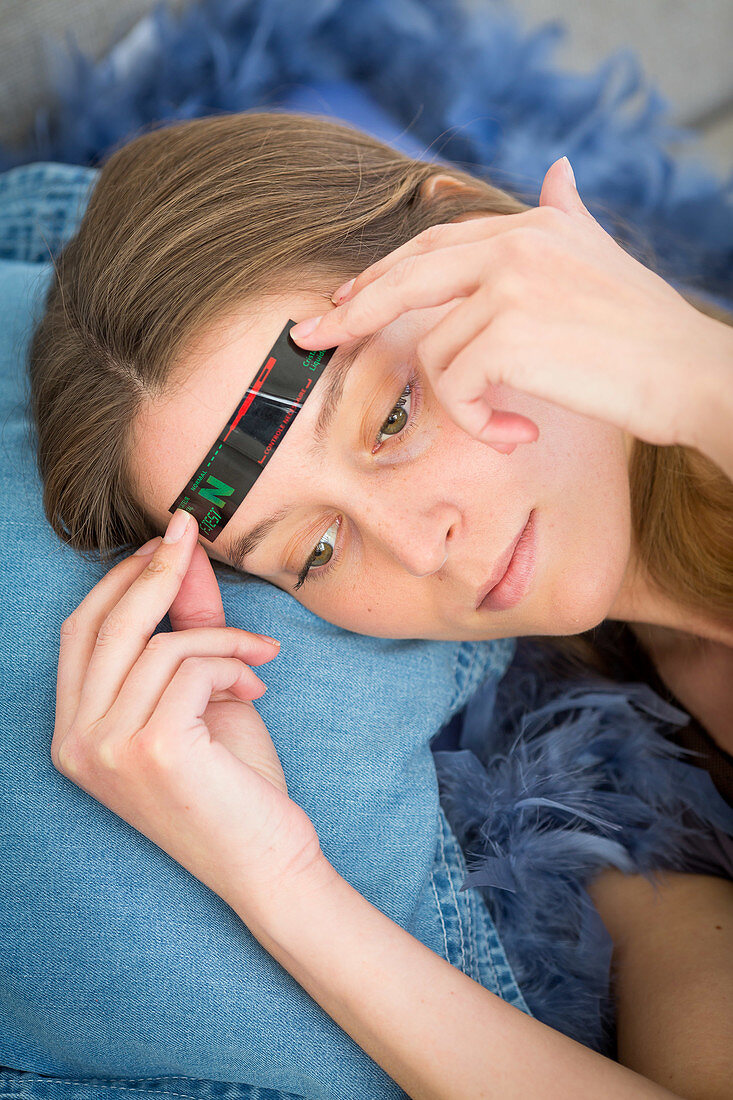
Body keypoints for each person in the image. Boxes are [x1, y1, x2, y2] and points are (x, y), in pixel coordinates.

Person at [28, 111, 732, 1098]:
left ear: (468, 247)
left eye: (391, 414)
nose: (415, 542)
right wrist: (279, 878)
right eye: (314, 549)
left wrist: (702, 380)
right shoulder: (618, 775)